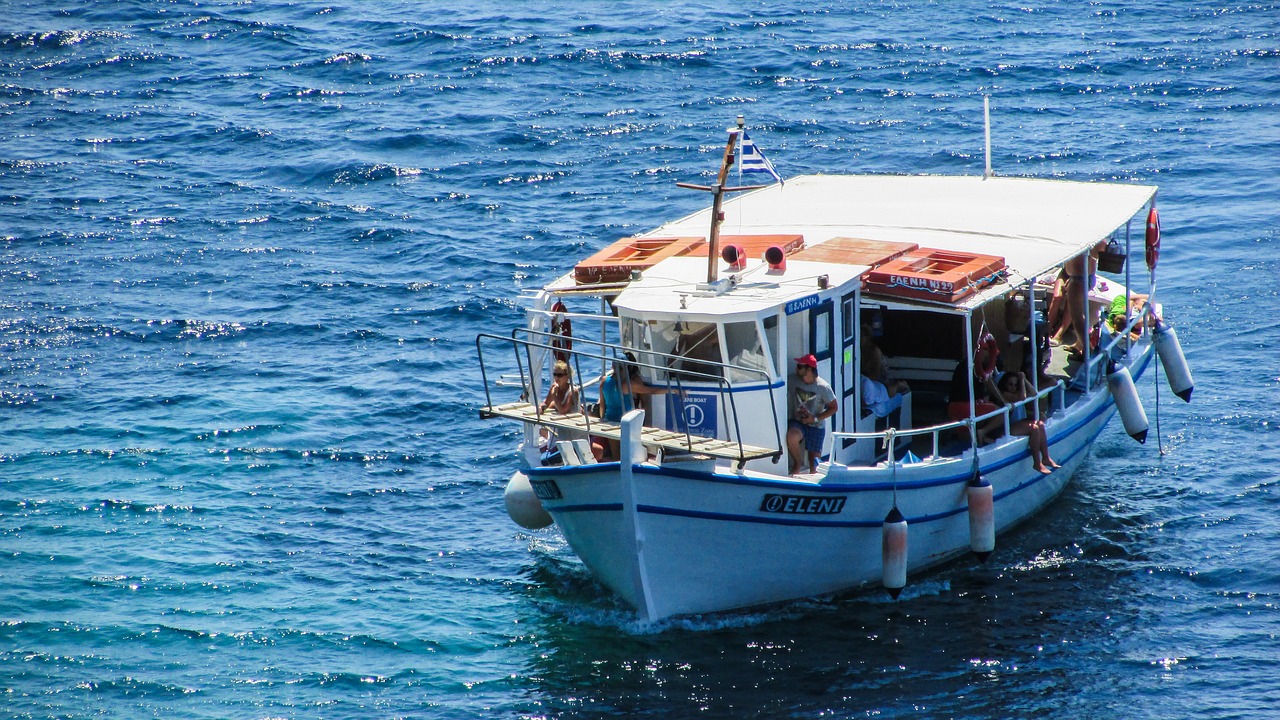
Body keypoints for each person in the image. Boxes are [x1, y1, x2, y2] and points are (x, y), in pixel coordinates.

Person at [591, 355, 672, 461]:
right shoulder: (628, 385)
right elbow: (652, 391)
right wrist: (671, 390)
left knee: (616, 455)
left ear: (612, 366)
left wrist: (602, 419)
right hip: (626, 422)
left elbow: (602, 404)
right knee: (628, 453)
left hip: (609, 421)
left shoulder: (604, 381)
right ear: (626, 368)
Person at [995, 370, 1060, 474]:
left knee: (1040, 424)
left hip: (1018, 423)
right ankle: (1037, 463)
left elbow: (1034, 393)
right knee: (1034, 429)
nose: (1013, 387)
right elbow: (1022, 398)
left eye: (1016, 385)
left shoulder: (1018, 392)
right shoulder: (1004, 394)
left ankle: (1046, 457)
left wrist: (1024, 380)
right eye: (1010, 384)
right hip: (1007, 426)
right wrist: (1021, 380)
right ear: (1004, 385)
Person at [786, 354, 838, 476]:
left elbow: (834, 408)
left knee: (814, 464)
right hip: (797, 421)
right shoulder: (792, 380)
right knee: (792, 436)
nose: (796, 369)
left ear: (809, 369)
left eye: (799, 367)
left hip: (816, 424)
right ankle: (797, 464)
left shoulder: (823, 387)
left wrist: (814, 418)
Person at [947, 343, 1002, 445]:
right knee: (1002, 412)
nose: (992, 358)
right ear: (983, 351)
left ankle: (978, 438)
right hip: (965, 406)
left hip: (953, 407)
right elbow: (988, 383)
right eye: (991, 355)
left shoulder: (966, 363)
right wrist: (1004, 400)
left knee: (966, 428)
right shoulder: (976, 365)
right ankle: (983, 433)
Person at [860, 349, 909, 418]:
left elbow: (867, 403)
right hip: (879, 385)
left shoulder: (866, 384)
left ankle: (901, 386)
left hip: (883, 395)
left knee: (899, 394)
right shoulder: (862, 379)